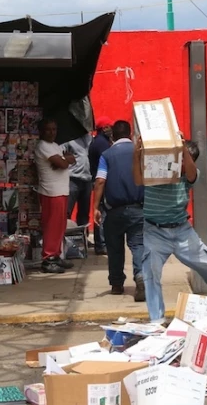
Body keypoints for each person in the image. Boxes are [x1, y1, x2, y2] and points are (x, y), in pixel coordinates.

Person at [135, 137, 207, 323]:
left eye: (186, 161)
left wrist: (183, 150)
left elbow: (192, 172)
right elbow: (138, 180)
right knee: (150, 274)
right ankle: (157, 320)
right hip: (155, 232)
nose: (182, 165)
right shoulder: (156, 171)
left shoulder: (189, 175)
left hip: (182, 231)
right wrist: (135, 154)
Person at [92, 121, 145, 299]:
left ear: (112, 136)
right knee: (138, 245)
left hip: (114, 210)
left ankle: (116, 284)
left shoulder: (106, 155)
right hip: (138, 209)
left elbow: (100, 181)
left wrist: (95, 207)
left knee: (114, 247)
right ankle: (140, 276)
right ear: (130, 134)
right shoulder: (140, 152)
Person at [34, 119, 76, 274]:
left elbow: (70, 159)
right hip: (51, 192)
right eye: (48, 129)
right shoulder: (43, 146)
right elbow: (64, 163)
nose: (52, 132)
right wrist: (64, 160)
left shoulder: (56, 146)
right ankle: (48, 258)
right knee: (52, 226)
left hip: (61, 191)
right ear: (42, 131)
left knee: (59, 226)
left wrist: (63, 160)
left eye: (54, 129)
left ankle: (56, 254)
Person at [89, 124, 113, 255]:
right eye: (109, 127)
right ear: (104, 128)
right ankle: (101, 244)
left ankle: (101, 243)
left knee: (102, 212)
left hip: (98, 179)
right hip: (101, 181)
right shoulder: (102, 143)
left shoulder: (99, 141)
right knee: (101, 212)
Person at [62, 133, 93, 234]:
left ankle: (83, 237)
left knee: (84, 212)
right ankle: (65, 237)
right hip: (72, 179)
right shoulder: (67, 139)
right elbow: (61, 154)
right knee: (67, 211)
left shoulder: (88, 138)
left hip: (87, 178)